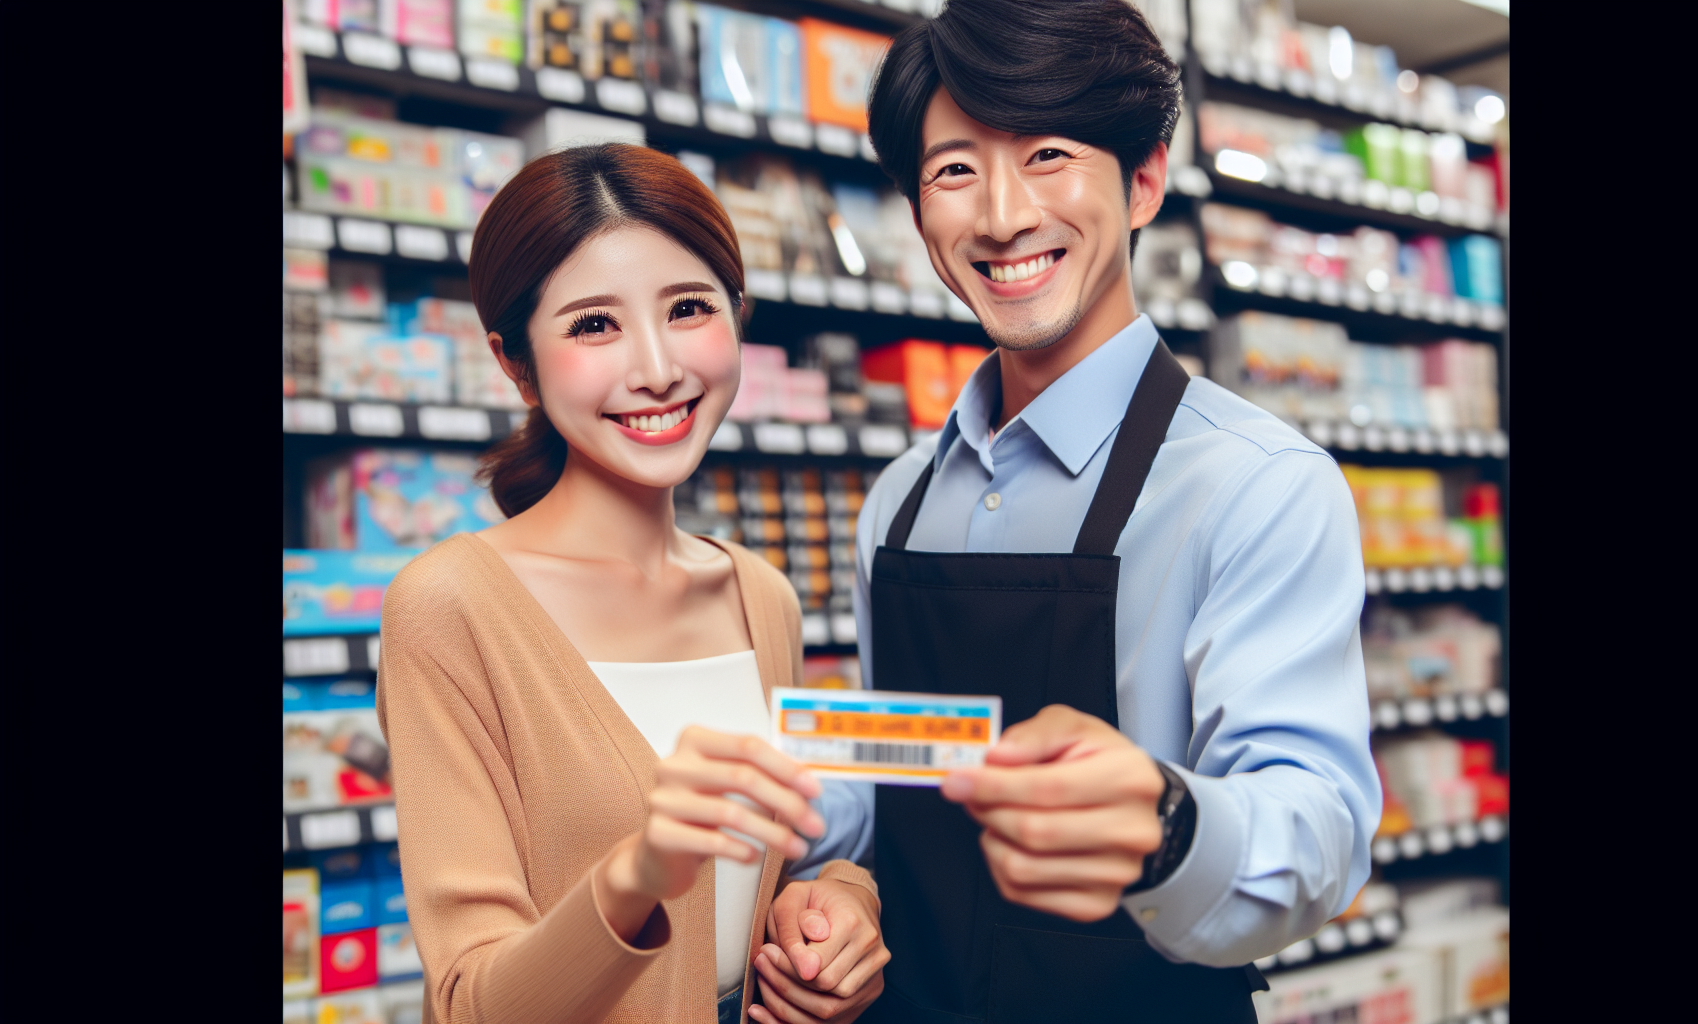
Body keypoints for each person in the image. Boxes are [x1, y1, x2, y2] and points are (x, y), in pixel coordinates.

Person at [800, 1, 1384, 1020]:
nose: (1000, 215)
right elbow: (895, 760)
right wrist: (790, 838)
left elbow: (1317, 827)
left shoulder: (1258, 485)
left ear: (1144, 179)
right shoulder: (897, 504)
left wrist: (1163, 822)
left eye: (1049, 154)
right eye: (953, 170)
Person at [376, 144, 888, 1024]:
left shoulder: (760, 596)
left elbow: (775, 870)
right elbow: (468, 1004)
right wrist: (635, 875)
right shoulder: (448, 606)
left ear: (737, 314)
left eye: (688, 308)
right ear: (516, 365)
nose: (655, 367)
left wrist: (840, 905)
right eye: (593, 325)